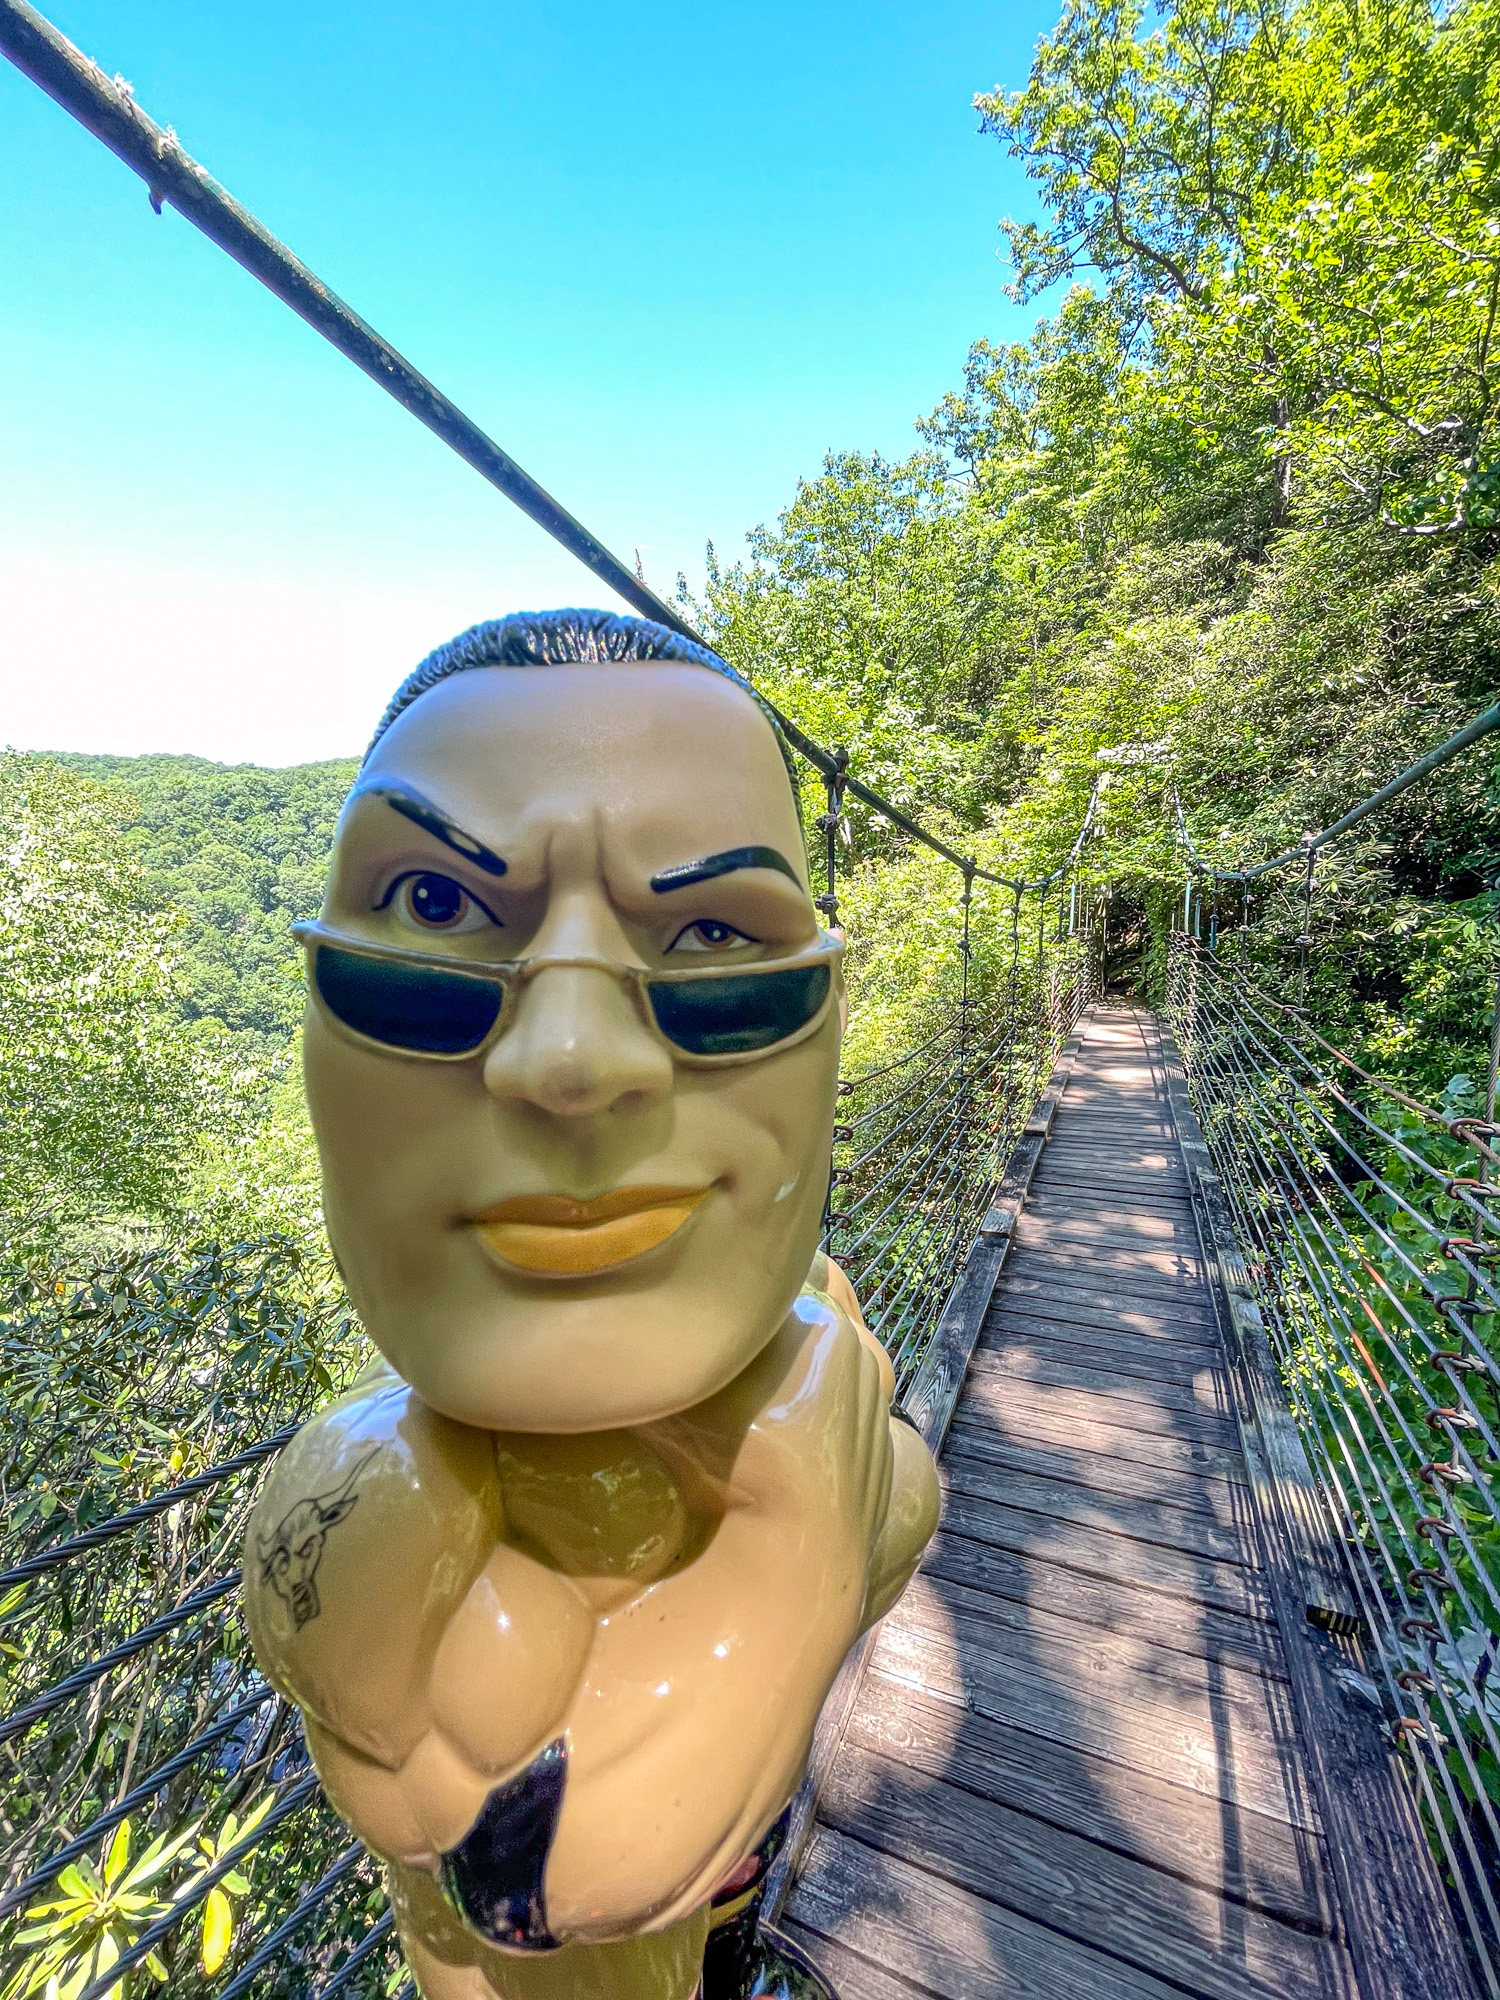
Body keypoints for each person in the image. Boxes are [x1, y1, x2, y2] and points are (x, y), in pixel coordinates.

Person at [244, 612, 940, 2000]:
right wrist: (793, 1521)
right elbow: (562, 1873)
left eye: (713, 931)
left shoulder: (833, 1369)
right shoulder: (369, 1501)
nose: (569, 1060)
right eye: (433, 905)